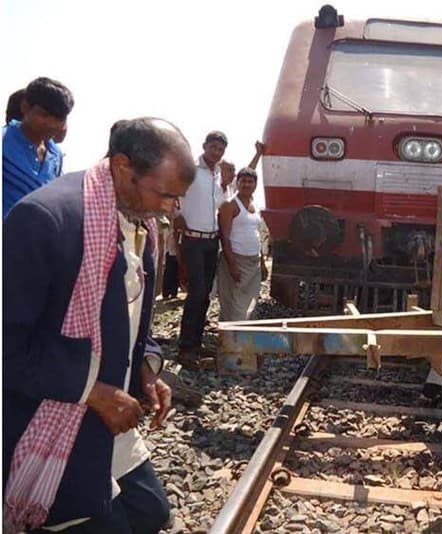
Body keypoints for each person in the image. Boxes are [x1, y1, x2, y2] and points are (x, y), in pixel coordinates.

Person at [3, 117, 195, 533]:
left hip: (109, 422)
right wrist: (93, 392)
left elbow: (131, 319)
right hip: (55, 420)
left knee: (152, 514)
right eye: (166, 195)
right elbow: (8, 346)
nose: (170, 209)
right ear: (123, 167)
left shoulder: (140, 221)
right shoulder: (45, 219)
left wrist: (146, 368)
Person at [174, 131, 234, 369]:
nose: (217, 153)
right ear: (204, 146)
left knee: (206, 293)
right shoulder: (190, 169)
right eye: (213, 147)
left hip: (211, 240)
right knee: (196, 292)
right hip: (193, 239)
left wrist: (226, 184)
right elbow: (174, 194)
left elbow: (222, 203)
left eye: (221, 149)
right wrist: (176, 215)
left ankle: (196, 342)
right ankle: (185, 347)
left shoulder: (218, 174)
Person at [3, 77, 74, 217]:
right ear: (25, 107)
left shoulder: (55, 154)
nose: (52, 124)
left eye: (59, 118)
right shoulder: (4, 141)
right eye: (45, 115)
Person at [217, 168, 266, 321]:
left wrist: (262, 262)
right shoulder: (230, 204)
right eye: (243, 181)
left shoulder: (255, 205)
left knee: (250, 303)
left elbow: (257, 234)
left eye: (250, 181)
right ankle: (231, 334)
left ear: (255, 185)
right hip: (236, 260)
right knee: (234, 303)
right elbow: (225, 236)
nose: (246, 184)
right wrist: (232, 265)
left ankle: (243, 333)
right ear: (237, 183)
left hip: (253, 262)